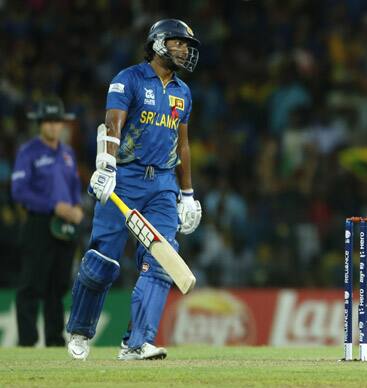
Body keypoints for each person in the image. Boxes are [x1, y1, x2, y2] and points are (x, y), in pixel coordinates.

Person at [65, 19, 202, 361]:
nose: (184, 49)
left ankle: (136, 343)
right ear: (158, 43)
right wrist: (107, 165)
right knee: (102, 262)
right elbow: (113, 122)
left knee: (159, 262)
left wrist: (187, 194)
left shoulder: (183, 92)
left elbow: (182, 145)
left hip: (162, 186)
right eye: (178, 42)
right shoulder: (128, 79)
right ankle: (80, 331)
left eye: (187, 45)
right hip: (123, 178)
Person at [11, 98, 83, 347]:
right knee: (31, 284)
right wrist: (54, 206)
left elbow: (74, 187)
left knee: (58, 285)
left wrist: (76, 208)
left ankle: (55, 340)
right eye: (48, 122)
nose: (53, 126)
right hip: (39, 225)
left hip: (65, 228)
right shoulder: (28, 151)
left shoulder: (67, 153)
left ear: (62, 124)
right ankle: (27, 342)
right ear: (40, 124)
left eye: (56, 121)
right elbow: (19, 191)